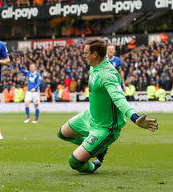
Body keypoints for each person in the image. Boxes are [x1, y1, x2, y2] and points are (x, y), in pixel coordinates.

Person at [57, 38, 158, 173]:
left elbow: (119, 99)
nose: (83, 55)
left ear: (94, 54)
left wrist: (134, 117)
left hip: (106, 127)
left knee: (74, 162)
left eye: (86, 53)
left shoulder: (107, 75)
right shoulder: (94, 65)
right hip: (90, 116)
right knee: (62, 134)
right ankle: (99, 148)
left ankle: (94, 165)